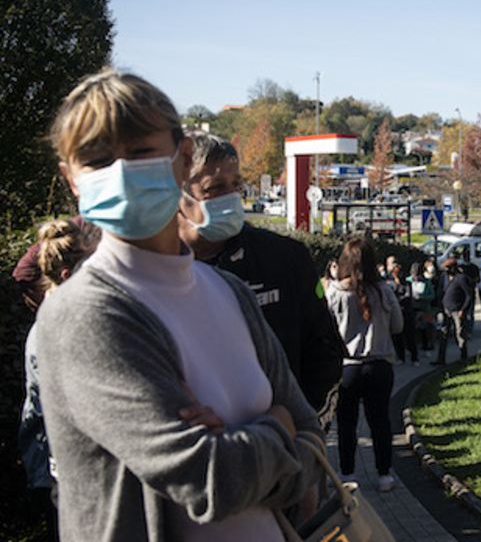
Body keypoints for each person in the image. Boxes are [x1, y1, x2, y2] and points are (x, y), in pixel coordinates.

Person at [34, 69, 323, 540]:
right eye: (97, 160)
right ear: (71, 179)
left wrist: (255, 441)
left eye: (140, 152)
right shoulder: (85, 314)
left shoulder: (230, 293)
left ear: (183, 157)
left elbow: (309, 430)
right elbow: (211, 482)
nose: (121, 172)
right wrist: (277, 425)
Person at [177, 128, 345, 417]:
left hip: (280, 442)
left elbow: (324, 351)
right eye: (214, 187)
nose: (230, 197)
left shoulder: (286, 258)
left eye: (236, 185)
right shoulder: (153, 270)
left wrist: (295, 423)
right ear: (176, 193)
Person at [18, 218, 95, 541]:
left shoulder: (49, 323)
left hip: (59, 474)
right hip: (73, 479)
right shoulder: (62, 327)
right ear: (68, 275)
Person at [324, 237, 403, 493]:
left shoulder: (335, 293)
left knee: (346, 425)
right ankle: (384, 475)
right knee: (380, 422)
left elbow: (325, 331)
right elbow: (398, 326)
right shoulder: (384, 291)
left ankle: (347, 474)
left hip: (347, 368)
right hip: (379, 365)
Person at [435, 258, 472, 364]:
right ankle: (441, 358)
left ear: (453, 268)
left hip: (457, 310)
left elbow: (469, 296)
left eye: (447, 268)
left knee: (460, 333)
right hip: (446, 310)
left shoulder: (461, 278)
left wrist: (463, 310)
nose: (445, 270)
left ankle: (463, 356)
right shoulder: (444, 278)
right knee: (443, 334)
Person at [387, 261, 419, 365]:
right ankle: (401, 357)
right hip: (396, 312)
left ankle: (414, 358)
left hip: (407, 312)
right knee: (398, 337)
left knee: (410, 336)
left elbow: (407, 297)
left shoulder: (407, 284)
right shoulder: (390, 285)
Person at [408, 262, 435, 354]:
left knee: (424, 329)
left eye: (418, 275)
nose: (416, 278)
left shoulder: (427, 282)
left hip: (424, 308)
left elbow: (432, 295)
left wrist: (423, 298)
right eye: (414, 275)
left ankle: (426, 345)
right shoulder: (408, 281)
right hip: (412, 308)